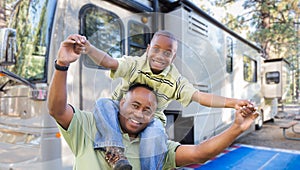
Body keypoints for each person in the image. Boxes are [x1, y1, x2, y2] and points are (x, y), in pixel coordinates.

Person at [47, 42, 258, 169]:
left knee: (156, 129)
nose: (138, 114)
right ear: (122, 102)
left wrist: (236, 123)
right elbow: (57, 109)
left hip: (155, 129)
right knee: (103, 103)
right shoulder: (90, 127)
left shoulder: (154, 143)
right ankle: (114, 151)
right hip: (109, 122)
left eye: (146, 109)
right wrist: (63, 64)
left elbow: (199, 152)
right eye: (134, 105)